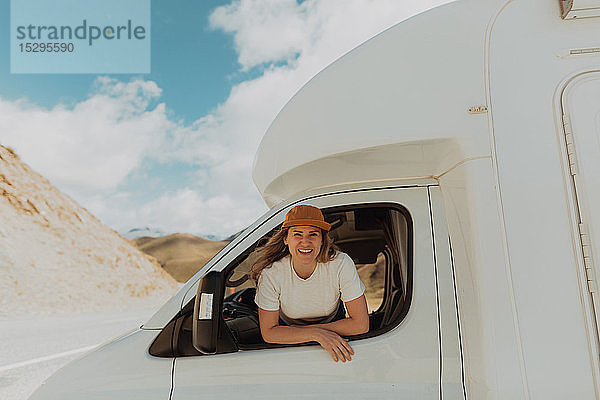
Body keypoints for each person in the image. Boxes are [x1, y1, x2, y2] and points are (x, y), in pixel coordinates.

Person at [251, 204, 369, 362]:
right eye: (297, 234)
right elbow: (269, 333)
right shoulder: (272, 274)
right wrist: (316, 334)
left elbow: (361, 324)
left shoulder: (340, 263)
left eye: (313, 234)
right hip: (292, 344)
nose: (305, 242)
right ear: (286, 239)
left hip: (322, 333)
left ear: (322, 239)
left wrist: (304, 332)